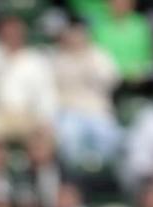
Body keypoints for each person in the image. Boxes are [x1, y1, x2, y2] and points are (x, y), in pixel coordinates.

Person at [50, 21, 122, 170]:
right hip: (67, 110)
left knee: (109, 135)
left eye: (79, 35)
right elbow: (50, 89)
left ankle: (103, 173)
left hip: (97, 109)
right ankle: (74, 173)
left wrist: (89, 65)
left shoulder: (98, 55)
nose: (75, 39)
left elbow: (113, 80)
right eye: (72, 35)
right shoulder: (57, 58)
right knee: (68, 136)